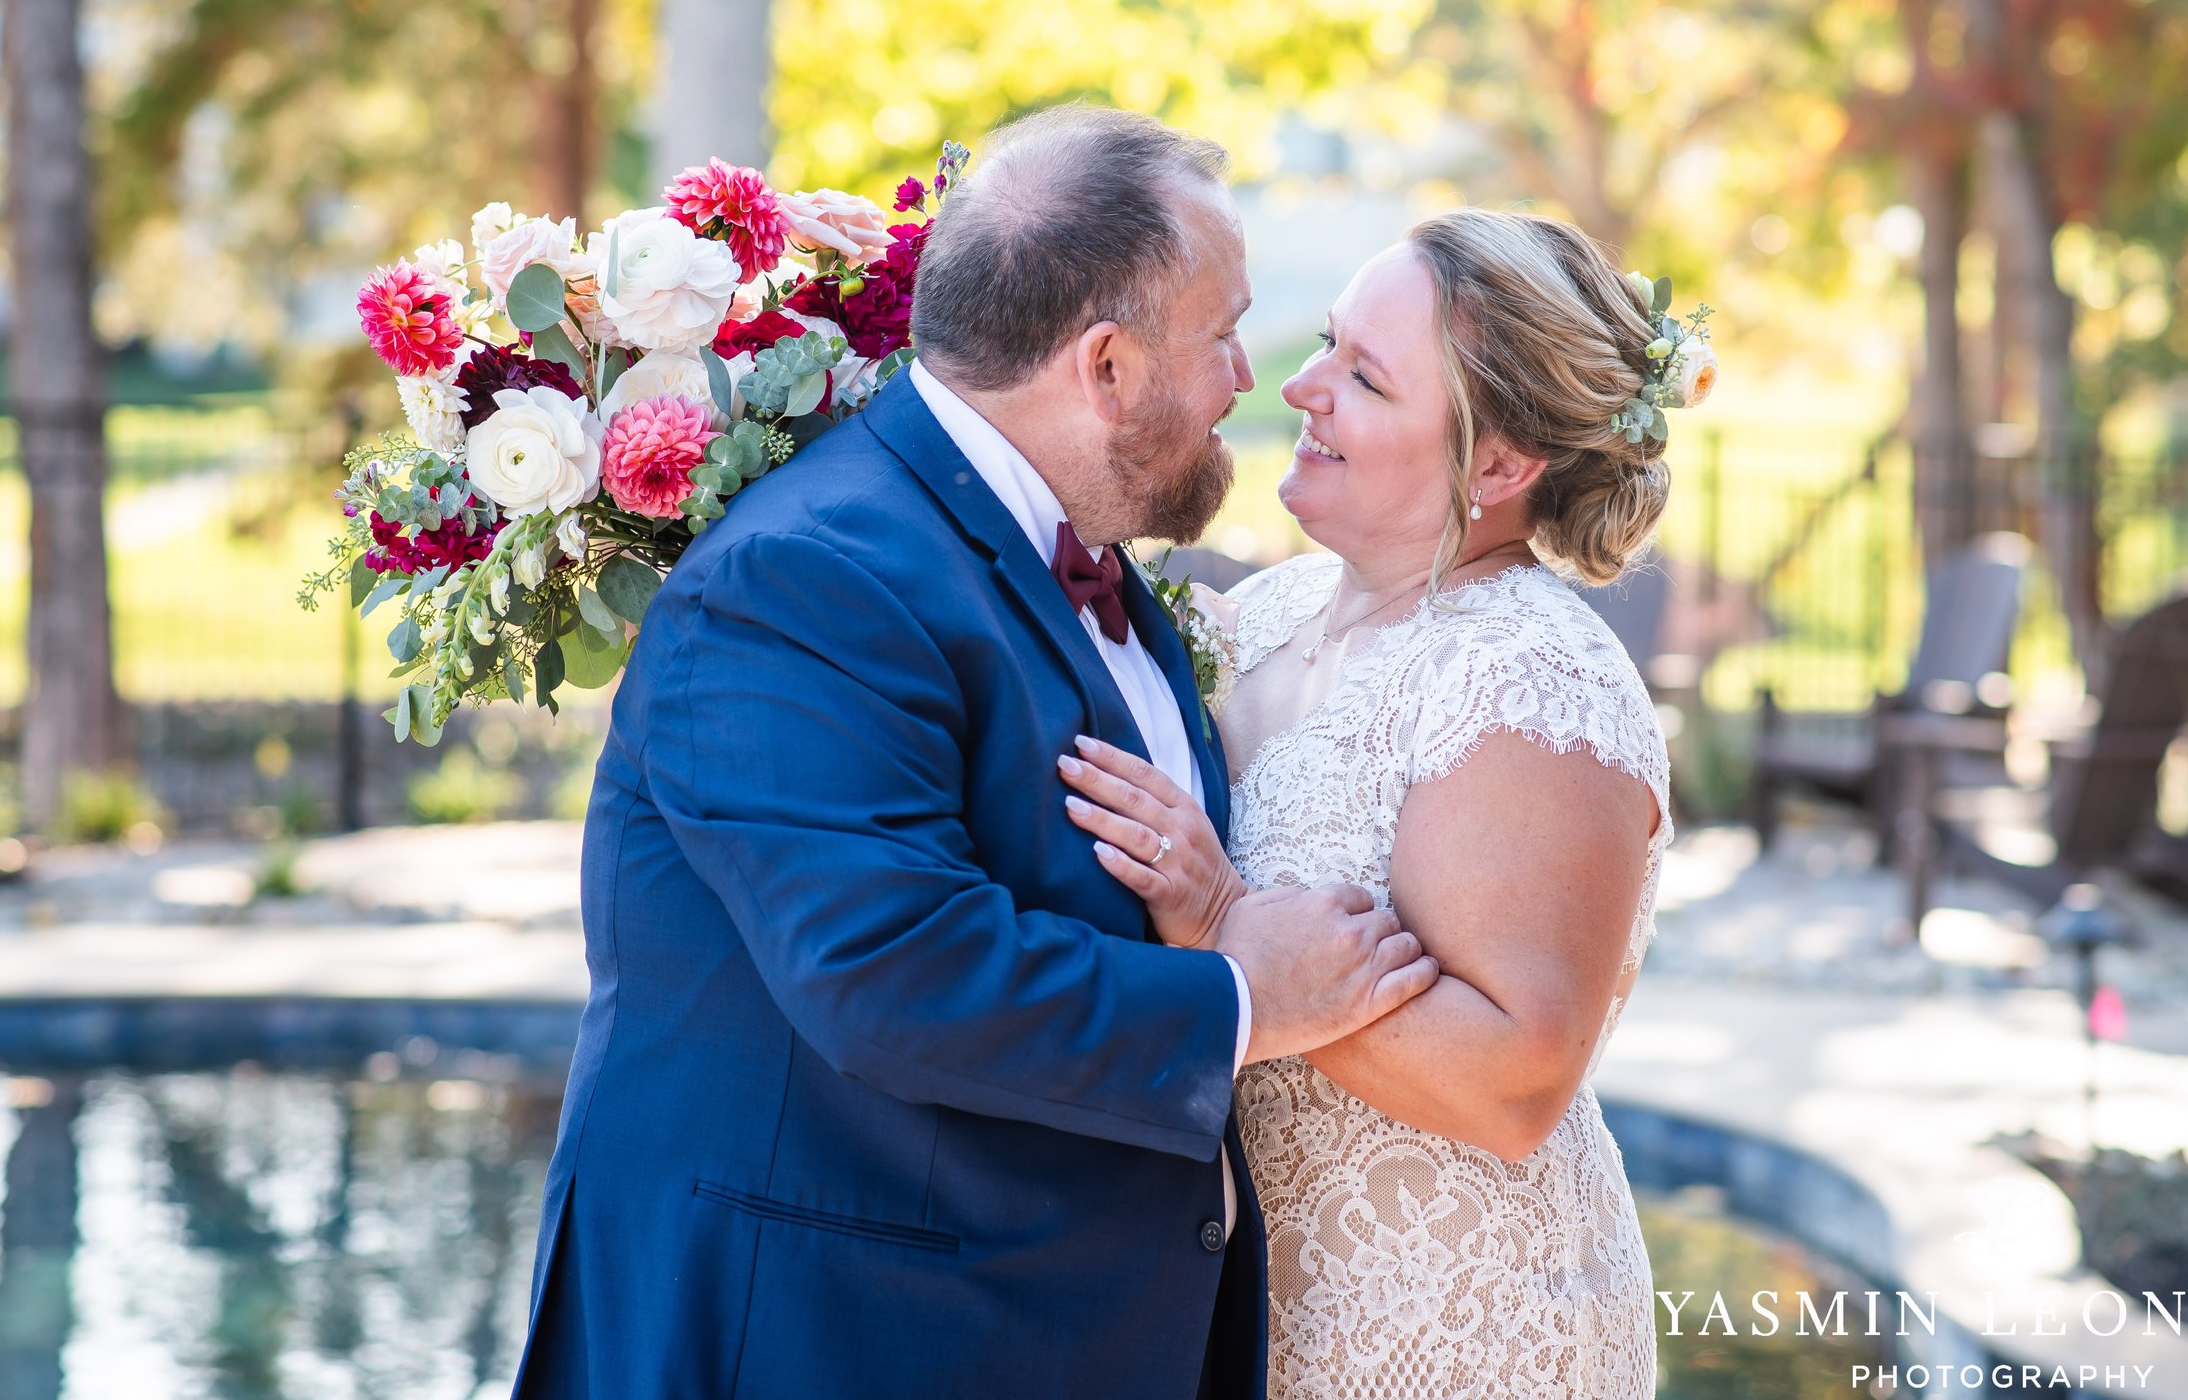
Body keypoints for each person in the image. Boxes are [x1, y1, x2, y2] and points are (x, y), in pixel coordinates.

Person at [507, 103, 1440, 1400]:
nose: (1256, 377)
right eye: (1224, 333)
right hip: (830, 1343)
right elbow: (892, 974)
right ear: (1104, 366)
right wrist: (1248, 995)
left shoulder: (1085, 560)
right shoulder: (799, 580)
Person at [1059, 208, 1679, 1399]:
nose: (1301, 387)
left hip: (1456, 1322)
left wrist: (1229, 922)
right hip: (1260, 1309)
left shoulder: (1527, 677)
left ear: (1498, 467)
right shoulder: (1275, 609)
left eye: (1364, 376)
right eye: (1329, 343)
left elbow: (1512, 1083)